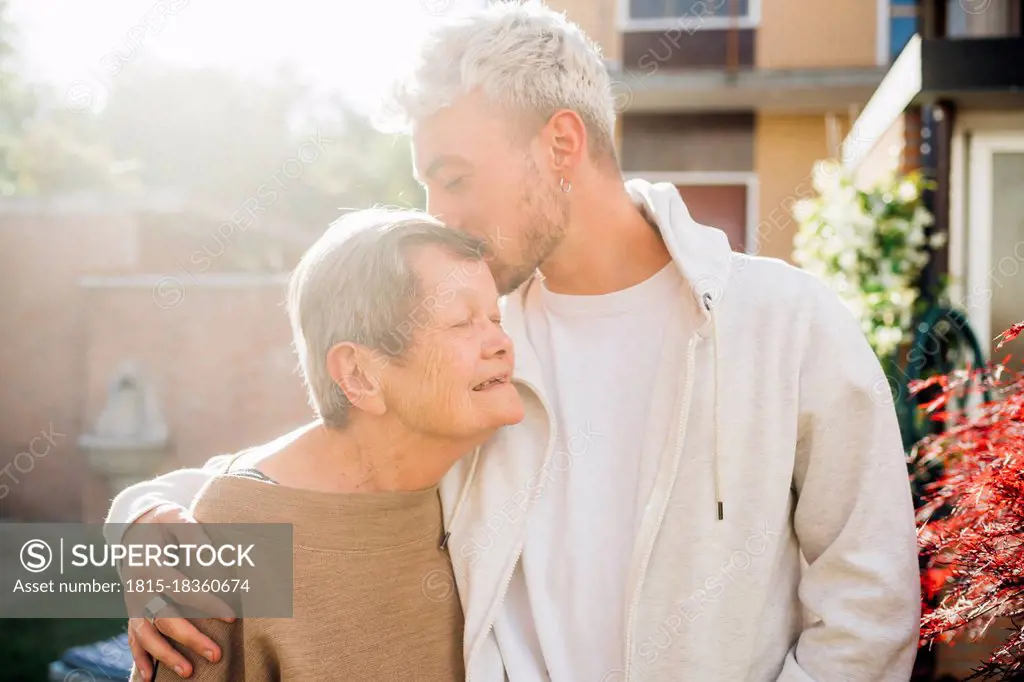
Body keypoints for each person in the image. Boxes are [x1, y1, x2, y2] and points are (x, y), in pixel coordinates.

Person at [108, 2, 922, 680]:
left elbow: (870, 597)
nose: (439, 212)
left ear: (561, 145)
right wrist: (135, 523)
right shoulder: (472, 355)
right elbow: (298, 473)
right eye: (425, 185)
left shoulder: (786, 323)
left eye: (455, 178)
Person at [127, 209, 523, 681]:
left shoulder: (484, 482)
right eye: (462, 322)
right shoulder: (226, 542)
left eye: (496, 317)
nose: (501, 342)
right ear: (359, 374)